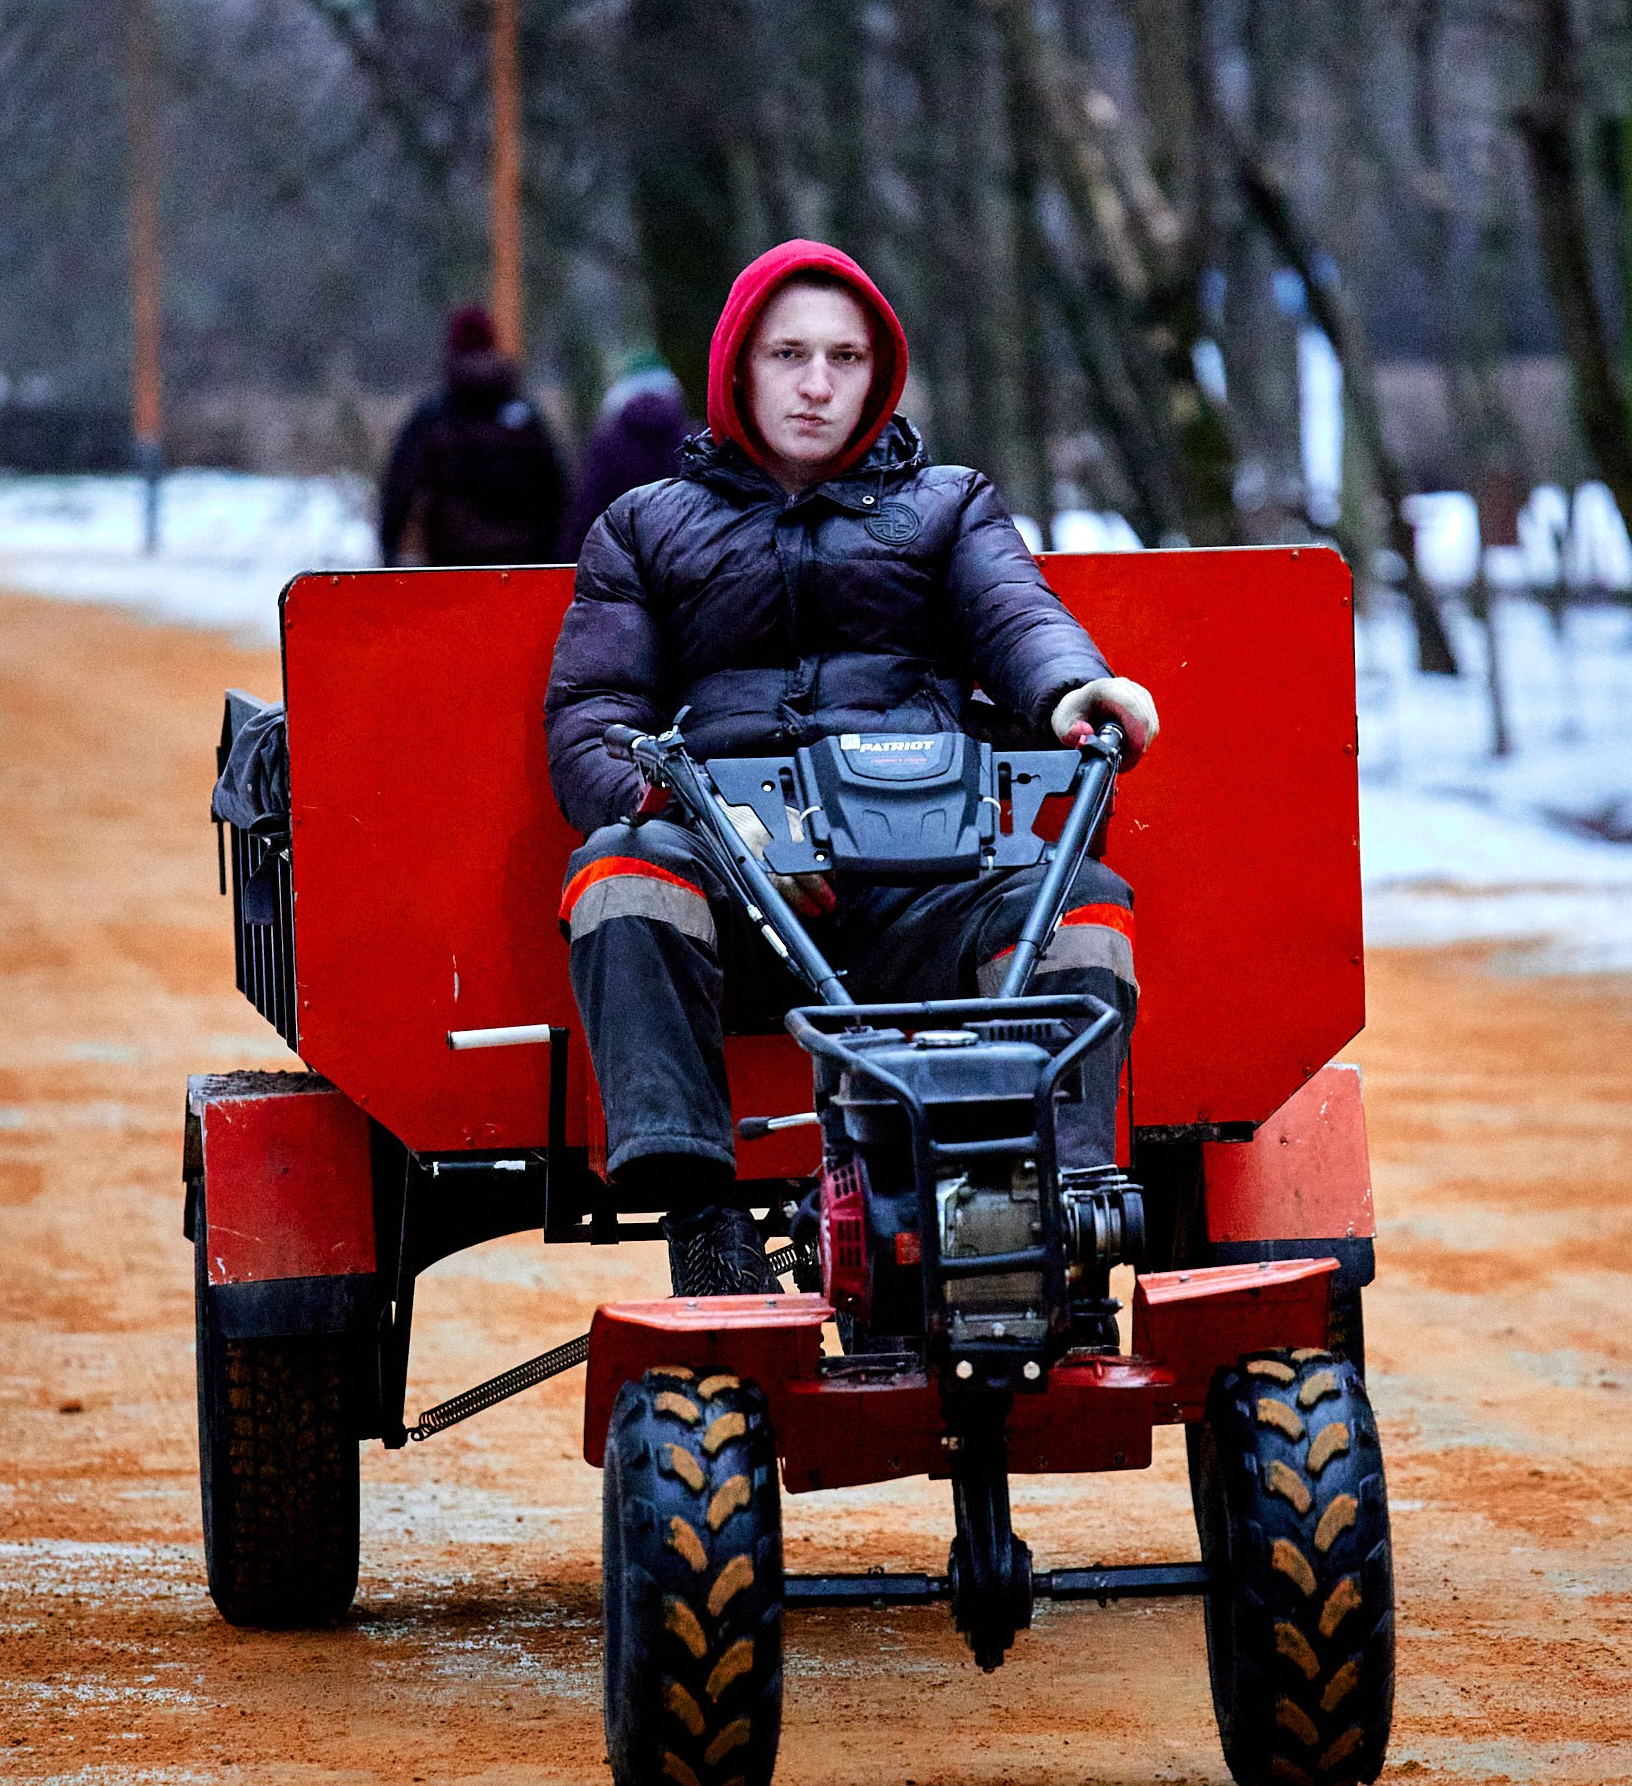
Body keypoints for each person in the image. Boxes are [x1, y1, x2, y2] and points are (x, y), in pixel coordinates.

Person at [543, 239, 1159, 1296]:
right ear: (736, 367)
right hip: (743, 904)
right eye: (787, 354)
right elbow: (592, 714)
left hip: (925, 895)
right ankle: (705, 1228)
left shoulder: (949, 505)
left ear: (880, 373)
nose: (817, 384)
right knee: (619, 872)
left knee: (1083, 905)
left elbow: (1016, 614)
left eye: (845, 356)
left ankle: (1058, 1204)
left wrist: (1073, 691)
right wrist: (688, 822)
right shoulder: (641, 528)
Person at [379, 305, 566, 566]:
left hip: (453, 570)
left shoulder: (433, 417)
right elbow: (557, 491)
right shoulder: (526, 416)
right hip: (525, 567)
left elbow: (399, 491)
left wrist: (389, 556)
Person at [560, 350, 691, 559]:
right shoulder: (691, 439)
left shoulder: (607, 442)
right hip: (680, 564)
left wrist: (569, 560)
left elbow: (588, 509)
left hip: (617, 565)